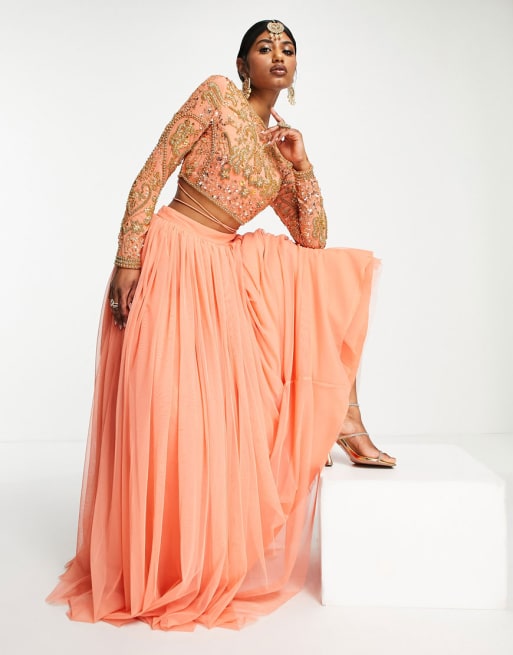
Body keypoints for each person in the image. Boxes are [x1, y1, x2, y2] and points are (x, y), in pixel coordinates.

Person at [47, 19, 395, 632]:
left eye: (288, 49)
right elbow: (151, 173)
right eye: (264, 47)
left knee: (318, 281)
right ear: (242, 64)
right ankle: (155, 562)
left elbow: (313, 239)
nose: (278, 55)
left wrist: (302, 164)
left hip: (219, 274)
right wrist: (128, 258)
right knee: (163, 406)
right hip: (172, 251)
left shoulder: (280, 147)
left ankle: (341, 415)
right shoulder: (214, 95)